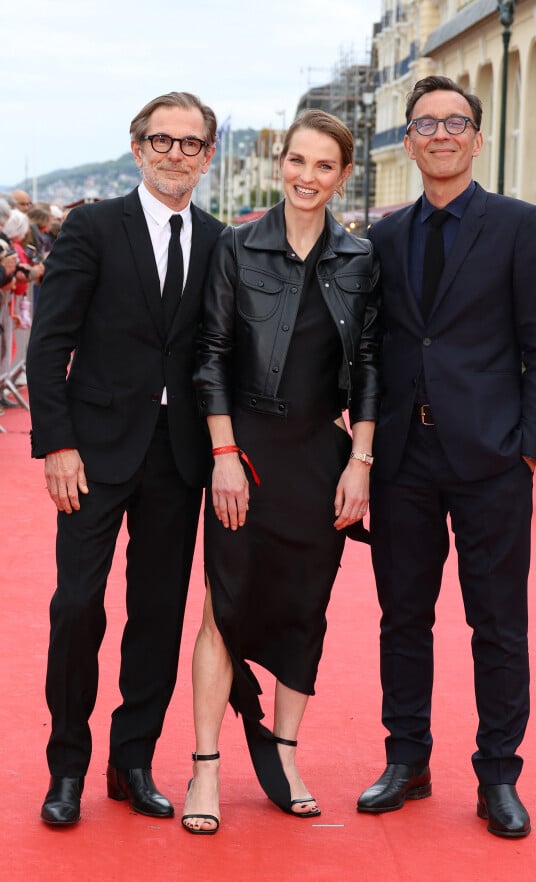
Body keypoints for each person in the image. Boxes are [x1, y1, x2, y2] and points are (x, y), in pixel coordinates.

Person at [356, 76, 536, 838]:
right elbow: (372, 348)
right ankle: (406, 759)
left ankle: (498, 775)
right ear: (408, 141)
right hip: (405, 460)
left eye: (456, 122)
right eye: (425, 123)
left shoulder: (517, 226)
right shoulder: (382, 237)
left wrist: (529, 451)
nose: (440, 133)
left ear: (476, 137)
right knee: (402, 618)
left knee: (499, 626)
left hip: (491, 461)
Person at [26, 90, 224, 826]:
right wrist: (58, 443)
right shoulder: (92, 228)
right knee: (77, 609)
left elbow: (214, 350)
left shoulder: (216, 240)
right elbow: (51, 342)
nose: (176, 154)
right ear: (138, 147)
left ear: (207, 156)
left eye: (191, 143)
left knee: (158, 615)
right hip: (94, 454)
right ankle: (67, 767)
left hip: (177, 459)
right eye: (161, 140)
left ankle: (131, 760)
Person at [181, 109, 381, 834]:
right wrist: (225, 457)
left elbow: (368, 368)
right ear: (280, 165)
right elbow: (209, 357)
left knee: (306, 608)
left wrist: (361, 461)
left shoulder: (359, 258)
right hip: (248, 453)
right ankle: (206, 768)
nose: (307, 176)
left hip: (318, 460)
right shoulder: (238, 248)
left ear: (343, 175)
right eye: (297, 161)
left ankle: (286, 756)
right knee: (221, 609)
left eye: (324, 166)